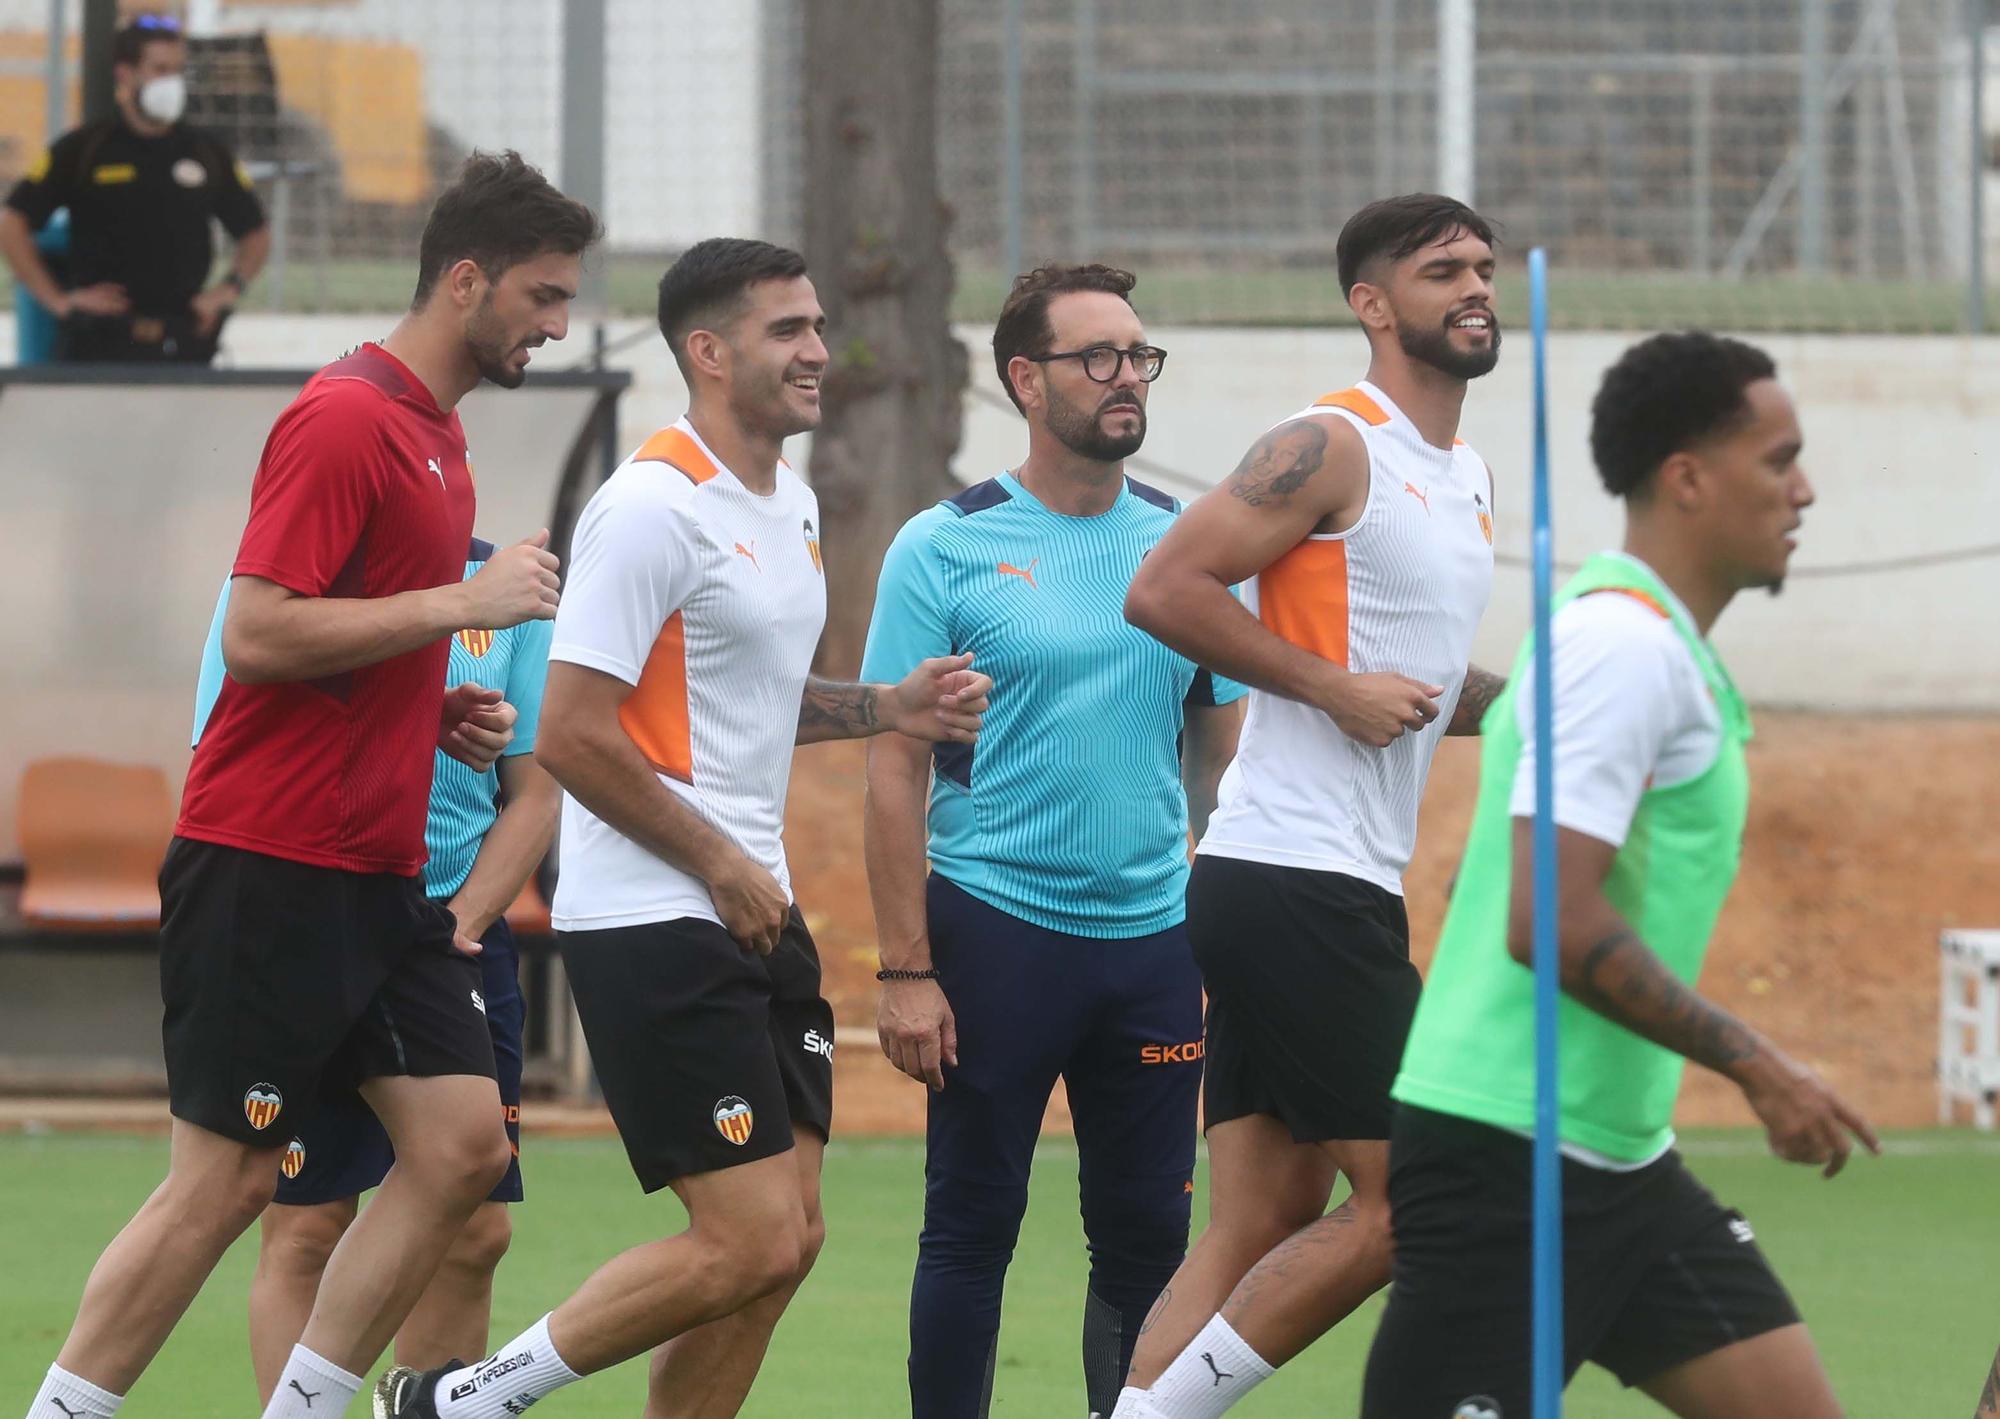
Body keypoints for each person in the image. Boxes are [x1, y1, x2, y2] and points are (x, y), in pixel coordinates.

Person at [372, 237, 992, 1419]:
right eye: (787, 331)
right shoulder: (650, 505)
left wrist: (888, 708)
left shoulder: (789, 503)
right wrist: (718, 863)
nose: (818, 350)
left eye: (816, 326)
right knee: (746, 1239)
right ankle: (458, 1401)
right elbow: (574, 730)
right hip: (660, 916)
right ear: (708, 352)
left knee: (788, 1243)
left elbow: (739, 708)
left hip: (751, 907)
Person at [21, 150, 595, 1419]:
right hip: (272, 865)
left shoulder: (440, 436)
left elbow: (345, 636)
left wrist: (426, 701)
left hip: (380, 879)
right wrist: (460, 605)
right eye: (543, 297)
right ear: (465, 280)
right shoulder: (345, 416)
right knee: (222, 1190)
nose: (558, 326)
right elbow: (261, 632)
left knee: (459, 1154)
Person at [1362, 331, 1880, 1417]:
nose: (1805, 490)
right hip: (1506, 1153)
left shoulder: (1648, 651)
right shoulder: (1617, 649)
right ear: (1686, 478)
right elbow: (1544, 918)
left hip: (1617, 1160)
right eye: (1777, 459)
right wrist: (1759, 1066)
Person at [1114, 193, 1506, 1418]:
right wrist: (1327, 689)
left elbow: (1425, 686)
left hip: (1328, 882)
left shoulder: (1465, 472)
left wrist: (1566, 700)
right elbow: (1163, 586)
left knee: (1259, 1220)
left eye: (1485, 265)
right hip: (1291, 877)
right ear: (1371, 304)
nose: (1476, 285)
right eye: (1444, 270)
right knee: (1420, 1197)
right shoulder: (1332, 441)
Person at [861, 263, 1245, 1419]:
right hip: (993, 934)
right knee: (970, 1229)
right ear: (1026, 380)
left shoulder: (1186, 545)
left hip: (1151, 945)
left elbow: (1222, 750)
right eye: (1098, 357)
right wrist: (905, 970)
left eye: (1138, 356)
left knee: (1146, 1243)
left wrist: (1209, 917)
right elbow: (893, 763)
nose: (1126, 378)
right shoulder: (943, 546)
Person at [182, 538, 558, 1398]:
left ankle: (427, 1408)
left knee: (475, 1229)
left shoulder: (505, 584)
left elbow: (537, 787)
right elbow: (224, 745)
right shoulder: (284, 586)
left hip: (452, 929)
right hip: (319, 920)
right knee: (308, 1222)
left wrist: (465, 919)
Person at [0, 13, 270, 364]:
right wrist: (59, 301)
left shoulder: (206, 152)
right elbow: (12, 222)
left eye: (177, 71)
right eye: (159, 69)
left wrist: (227, 290)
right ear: (125, 74)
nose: (171, 82)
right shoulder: (85, 149)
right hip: (97, 344)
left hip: (183, 343)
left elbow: (255, 233)